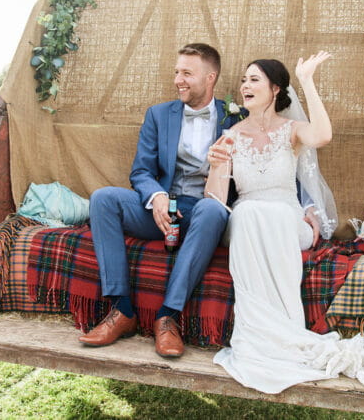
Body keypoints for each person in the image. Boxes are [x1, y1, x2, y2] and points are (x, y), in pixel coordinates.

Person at [80, 43, 320, 359]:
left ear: (210, 78)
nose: (178, 80)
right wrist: (156, 195)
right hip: (159, 211)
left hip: (204, 215)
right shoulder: (158, 114)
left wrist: (308, 207)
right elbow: (141, 171)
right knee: (103, 199)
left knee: (211, 208)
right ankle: (121, 309)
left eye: (187, 73)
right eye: (177, 72)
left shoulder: (235, 117)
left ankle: (167, 316)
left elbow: (274, 161)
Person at [205, 52, 364, 393]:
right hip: (249, 221)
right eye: (243, 80)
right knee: (248, 211)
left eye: (254, 79)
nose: (244, 86)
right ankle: (265, 334)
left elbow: (323, 135)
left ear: (275, 88)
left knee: (273, 214)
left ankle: (286, 324)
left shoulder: (292, 130)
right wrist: (214, 164)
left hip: (286, 218)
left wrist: (308, 80)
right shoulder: (231, 135)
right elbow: (216, 200)